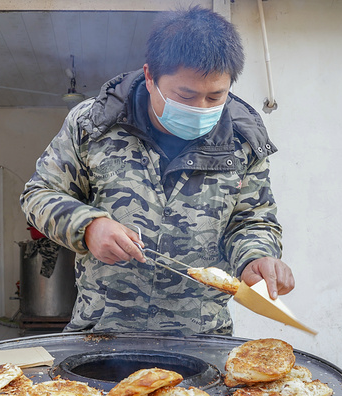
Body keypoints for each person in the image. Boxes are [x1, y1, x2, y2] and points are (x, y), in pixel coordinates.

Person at [20, 6, 294, 336]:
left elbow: (253, 219)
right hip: (103, 332)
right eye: (186, 95)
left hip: (200, 337)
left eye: (214, 96)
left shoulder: (243, 139)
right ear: (150, 77)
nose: (200, 108)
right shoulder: (94, 124)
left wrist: (257, 257)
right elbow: (39, 195)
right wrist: (89, 226)